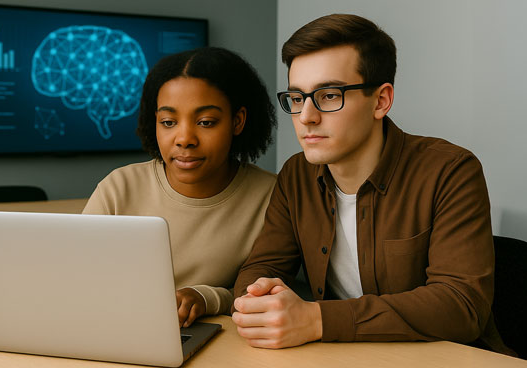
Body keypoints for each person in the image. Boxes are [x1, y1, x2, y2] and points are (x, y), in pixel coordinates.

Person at [231, 14, 512, 355]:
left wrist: (316, 319)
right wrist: (258, 298)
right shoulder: (296, 175)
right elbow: (261, 268)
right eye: (296, 97)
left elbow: (461, 305)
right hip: (343, 356)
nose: (306, 116)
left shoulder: (451, 170)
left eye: (329, 95)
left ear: (381, 101)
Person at [83, 47, 277, 328]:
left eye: (205, 122)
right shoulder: (119, 187)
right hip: (116, 327)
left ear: (238, 121)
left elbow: (273, 291)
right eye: (168, 122)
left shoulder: (271, 196)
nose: (184, 138)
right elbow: (77, 278)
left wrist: (206, 297)